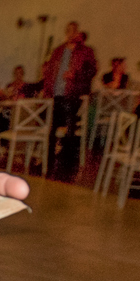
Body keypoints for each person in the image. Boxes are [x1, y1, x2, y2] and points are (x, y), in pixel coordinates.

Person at [42, 24, 97, 179]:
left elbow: (91, 71)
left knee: (70, 128)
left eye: (73, 31)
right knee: (51, 128)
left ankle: (67, 165)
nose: (71, 34)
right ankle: (50, 162)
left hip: (72, 95)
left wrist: (76, 75)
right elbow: (49, 72)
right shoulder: (58, 51)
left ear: (77, 32)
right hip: (56, 95)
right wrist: (47, 91)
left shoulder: (85, 51)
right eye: (68, 31)